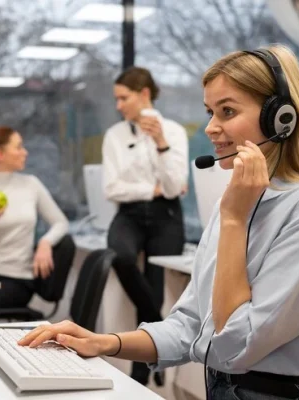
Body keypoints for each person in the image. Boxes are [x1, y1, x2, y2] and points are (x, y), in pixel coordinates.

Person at [19, 45, 299, 399]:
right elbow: (188, 326)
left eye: (227, 111)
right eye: (210, 112)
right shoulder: (237, 204)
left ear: (280, 118)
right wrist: (103, 342)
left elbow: (235, 347)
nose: (211, 128)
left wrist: (233, 222)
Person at [102, 66, 189, 385]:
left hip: (166, 216)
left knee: (154, 283)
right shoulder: (115, 135)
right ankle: (157, 331)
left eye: (123, 98)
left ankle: (141, 369)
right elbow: (111, 188)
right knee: (120, 256)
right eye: (116, 99)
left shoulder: (174, 131)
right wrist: (147, 189)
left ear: (144, 95)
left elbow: (173, 186)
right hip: (129, 215)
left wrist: (161, 142)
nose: (118, 105)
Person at [0, 126, 74, 313]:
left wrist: (45, 242)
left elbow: (61, 223)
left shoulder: (31, 185)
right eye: (19, 147)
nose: (25, 152)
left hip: (17, 281)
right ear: (0, 154)